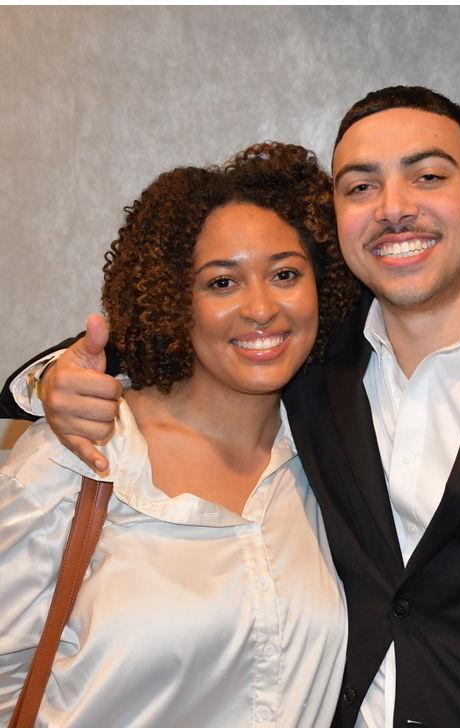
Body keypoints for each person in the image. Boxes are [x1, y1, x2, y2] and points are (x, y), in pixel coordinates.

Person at [3, 86, 460, 728]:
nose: (394, 207)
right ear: (339, 221)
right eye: (360, 186)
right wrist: (47, 382)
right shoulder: (319, 365)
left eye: (428, 175)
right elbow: (192, 330)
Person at [0, 142, 358, 727]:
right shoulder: (78, 459)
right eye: (222, 282)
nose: (261, 307)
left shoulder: (333, 461)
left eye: (285, 274)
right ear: (174, 300)